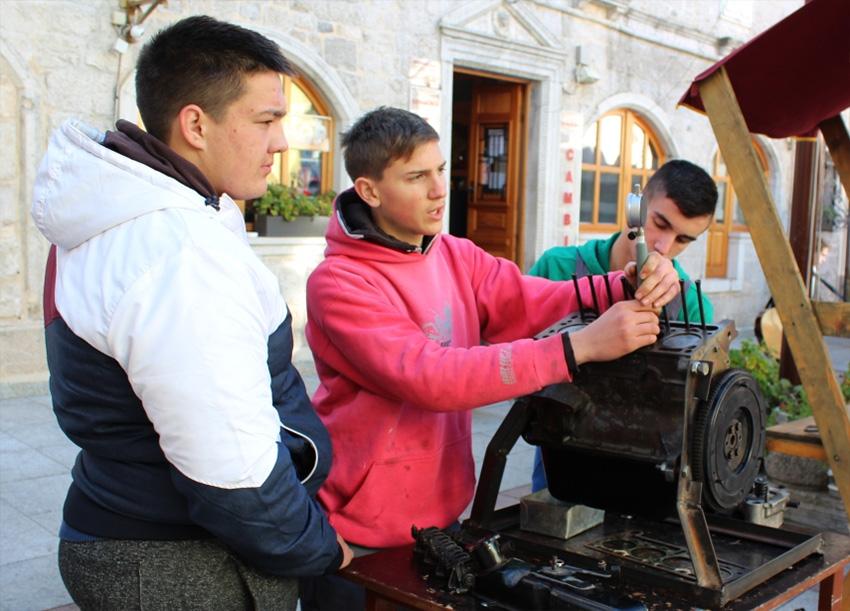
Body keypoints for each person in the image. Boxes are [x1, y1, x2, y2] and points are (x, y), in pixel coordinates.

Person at [299, 106, 681, 610]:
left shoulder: (454, 254)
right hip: (356, 535)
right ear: (369, 191)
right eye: (416, 177)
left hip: (442, 519)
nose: (439, 189)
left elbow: (528, 300)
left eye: (439, 169)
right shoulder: (339, 283)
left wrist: (621, 285)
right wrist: (579, 347)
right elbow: (430, 377)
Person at [31, 16, 351, 610]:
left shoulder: (136, 210)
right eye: (266, 120)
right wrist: (317, 548)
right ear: (196, 125)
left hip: (132, 536)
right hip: (179, 559)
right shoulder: (178, 253)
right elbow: (232, 471)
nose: (282, 142)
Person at [529, 158, 718, 492]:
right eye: (660, 223)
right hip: (559, 443)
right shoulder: (557, 267)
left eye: (683, 239)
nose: (664, 247)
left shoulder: (691, 304)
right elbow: (515, 358)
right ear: (636, 207)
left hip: (646, 459)